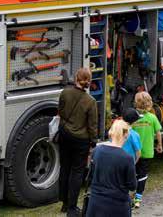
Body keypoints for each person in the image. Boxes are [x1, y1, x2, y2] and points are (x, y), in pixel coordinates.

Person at [58, 67, 98, 216]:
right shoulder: (90, 101)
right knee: (77, 172)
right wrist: (94, 141)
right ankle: (72, 207)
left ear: (76, 78)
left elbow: (60, 112)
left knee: (65, 167)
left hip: (64, 134)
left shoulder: (65, 92)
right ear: (89, 81)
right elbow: (92, 125)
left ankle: (64, 202)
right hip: (80, 140)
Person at [86, 120, 137, 217]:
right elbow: (132, 186)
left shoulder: (97, 150)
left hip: (96, 203)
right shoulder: (127, 158)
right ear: (125, 134)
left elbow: (91, 175)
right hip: (117, 205)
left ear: (111, 132)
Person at [131, 91, 163, 208]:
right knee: (143, 174)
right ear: (150, 103)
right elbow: (158, 133)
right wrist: (159, 145)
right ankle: (138, 197)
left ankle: (132, 193)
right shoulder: (152, 117)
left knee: (134, 172)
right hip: (147, 152)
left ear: (136, 104)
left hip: (134, 152)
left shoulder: (133, 117)